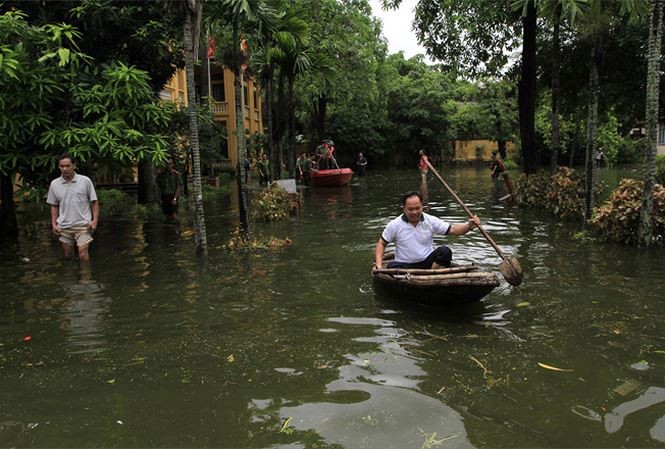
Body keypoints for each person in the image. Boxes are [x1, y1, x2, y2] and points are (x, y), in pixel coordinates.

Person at [374, 191, 481, 270]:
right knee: (392, 266)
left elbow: (452, 229)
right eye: (410, 209)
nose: (415, 212)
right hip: (404, 266)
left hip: (427, 263)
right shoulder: (395, 224)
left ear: (422, 207)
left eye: (418, 208)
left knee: (445, 251)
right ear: (404, 209)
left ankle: (432, 274)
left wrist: (468, 226)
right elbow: (382, 244)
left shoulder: (430, 220)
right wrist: (379, 265)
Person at [47, 153, 99, 261]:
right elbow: (54, 205)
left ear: (74, 166)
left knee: (83, 254)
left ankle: (86, 278)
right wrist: (53, 224)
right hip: (64, 225)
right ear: (59, 167)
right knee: (68, 256)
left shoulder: (85, 181)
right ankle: (70, 277)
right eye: (62, 166)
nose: (65, 169)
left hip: (83, 224)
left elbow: (94, 202)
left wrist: (94, 221)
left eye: (67, 166)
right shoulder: (54, 184)